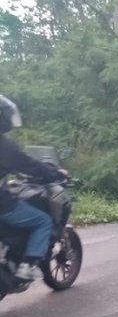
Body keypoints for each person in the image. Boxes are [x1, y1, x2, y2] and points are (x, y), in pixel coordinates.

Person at [0, 95, 65, 281]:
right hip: (1, 205)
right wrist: (57, 173)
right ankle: (26, 266)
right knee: (43, 221)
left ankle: (11, 258)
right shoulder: (3, 146)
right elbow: (30, 166)